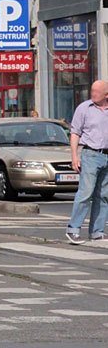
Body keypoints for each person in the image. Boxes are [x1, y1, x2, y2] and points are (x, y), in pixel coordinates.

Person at [66, 80, 108, 245]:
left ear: (106, 95)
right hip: (90, 154)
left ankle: (97, 231)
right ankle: (73, 229)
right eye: (92, 90)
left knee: (103, 196)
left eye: (97, 91)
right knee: (85, 193)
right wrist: (74, 156)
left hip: (107, 155)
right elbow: (75, 133)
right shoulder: (84, 108)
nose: (93, 93)